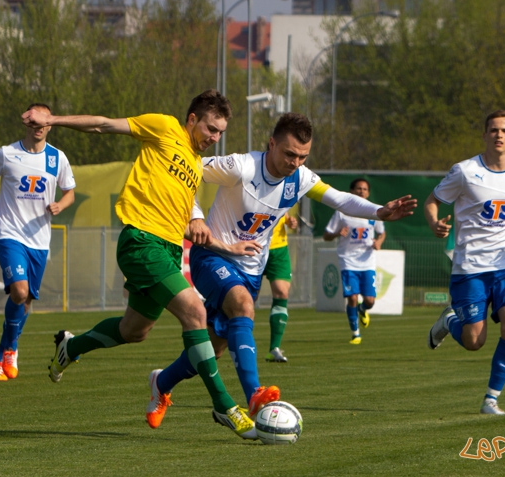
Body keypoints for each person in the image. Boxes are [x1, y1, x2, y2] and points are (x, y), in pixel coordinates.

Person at [146, 113, 418, 435]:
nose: (295, 162)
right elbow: (184, 175)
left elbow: (339, 199)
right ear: (271, 143)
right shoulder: (242, 166)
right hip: (213, 256)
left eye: (303, 156)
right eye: (289, 154)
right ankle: (255, 396)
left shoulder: (300, 177)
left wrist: (379, 211)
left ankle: (161, 383)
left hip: (250, 269)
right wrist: (195, 216)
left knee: (212, 349)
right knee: (243, 306)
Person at [21, 90, 257, 439]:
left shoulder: (194, 165)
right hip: (141, 242)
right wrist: (53, 120)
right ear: (192, 119)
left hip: (168, 249)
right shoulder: (163, 127)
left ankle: (70, 347)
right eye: (210, 128)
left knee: (135, 331)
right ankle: (224, 406)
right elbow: (103, 125)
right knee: (195, 312)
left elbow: (186, 213)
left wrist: (226, 244)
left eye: (220, 132)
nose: (214, 137)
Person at [424, 110, 505, 415]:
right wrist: (435, 223)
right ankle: (448, 321)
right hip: (470, 267)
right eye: (493, 130)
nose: (499, 135)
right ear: (485, 135)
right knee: (474, 340)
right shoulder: (464, 171)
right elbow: (432, 201)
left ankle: (491, 398)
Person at [0, 102, 76, 382]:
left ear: (50, 125)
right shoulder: (7, 154)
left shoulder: (57, 158)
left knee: (27, 300)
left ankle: (0, 355)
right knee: (19, 293)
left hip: (39, 240)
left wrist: (61, 205)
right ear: (28, 123)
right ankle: (11, 348)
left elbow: (70, 192)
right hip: (10, 234)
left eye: (45, 122)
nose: (40, 127)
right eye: (35, 122)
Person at [323, 178, 386, 344]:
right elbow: (326, 235)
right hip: (348, 261)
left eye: (365, 189)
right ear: (351, 191)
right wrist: (337, 233)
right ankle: (355, 333)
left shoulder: (373, 212)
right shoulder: (341, 212)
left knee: (370, 301)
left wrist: (378, 242)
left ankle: (362, 309)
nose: (361, 192)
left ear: (368, 193)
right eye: (358, 188)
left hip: (367, 262)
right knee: (351, 297)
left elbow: (381, 232)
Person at [262, 212, 298, 362]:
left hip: (279, 249)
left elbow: (284, 213)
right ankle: (238, 345)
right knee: (246, 300)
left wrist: (290, 221)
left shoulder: (282, 188)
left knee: (282, 292)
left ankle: (274, 349)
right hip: (254, 247)